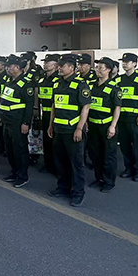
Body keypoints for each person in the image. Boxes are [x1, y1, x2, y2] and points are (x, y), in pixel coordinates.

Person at [47, 54, 91, 207]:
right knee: (61, 161)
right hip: (59, 129)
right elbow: (54, 105)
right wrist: (51, 125)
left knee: (76, 163)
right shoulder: (57, 83)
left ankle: (78, 192)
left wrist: (79, 128)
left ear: (71, 68)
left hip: (73, 130)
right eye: (59, 66)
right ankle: (63, 187)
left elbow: (86, 107)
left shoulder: (80, 84)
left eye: (62, 66)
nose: (59, 68)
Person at [87, 57, 122, 193]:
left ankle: (108, 182)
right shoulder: (91, 85)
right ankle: (99, 178)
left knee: (108, 155)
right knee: (95, 154)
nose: (98, 70)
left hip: (106, 125)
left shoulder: (114, 87)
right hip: (92, 125)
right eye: (97, 67)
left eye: (101, 68)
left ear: (108, 70)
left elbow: (117, 108)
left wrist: (113, 126)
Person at [0, 55, 34, 188]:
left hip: (18, 122)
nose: (8, 69)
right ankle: (14, 172)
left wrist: (26, 123)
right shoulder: (9, 82)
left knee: (20, 149)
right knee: (9, 149)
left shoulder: (26, 84)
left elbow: (29, 106)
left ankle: (22, 176)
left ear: (18, 68)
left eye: (10, 66)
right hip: (7, 121)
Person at [114, 53, 138, 182]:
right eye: (123, 62)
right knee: (125, 145)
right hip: (122, 118)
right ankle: (128, 168)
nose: (124, 64)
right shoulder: (118, 80)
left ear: (134, 64)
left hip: (135, 119)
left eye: (127, 62)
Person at [37, 53, 60, 175]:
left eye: (48, 63)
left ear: (55, 65)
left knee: (55, 143)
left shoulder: (58, 80)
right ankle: (48, 164)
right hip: (44, 114)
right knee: (46, 140)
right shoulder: (42, 80)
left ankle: (56, 167)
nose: (45, 65)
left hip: (55, 115)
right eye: (44, 62)